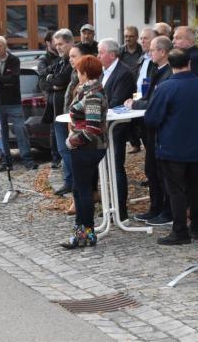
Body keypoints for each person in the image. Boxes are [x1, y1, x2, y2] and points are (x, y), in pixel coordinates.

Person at [144, 49, 198, 245]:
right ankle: (197, 227)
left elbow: (152, 118)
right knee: (196, 188)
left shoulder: (166, 87)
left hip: (172, 147)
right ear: (189, 62)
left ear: (170, 65)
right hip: (197, 145)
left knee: (176, 190)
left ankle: (180, 231)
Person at [125, 36, 174, 226]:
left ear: (162, 52)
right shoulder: (157, 69)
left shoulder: (168, 73)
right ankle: (156, 208)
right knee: (151, 170)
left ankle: (166, 211)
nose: (149, 53)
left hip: (162, 129)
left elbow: (156, 100)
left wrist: (135, 104)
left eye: (153, 50)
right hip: (151, 128)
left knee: (162, 172)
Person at [60, 55, 108, 249]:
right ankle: (83, 232)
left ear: (85, 73)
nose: (77, 75)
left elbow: (93, 128)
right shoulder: (86, 90)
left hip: (88, 148)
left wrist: (72, 141)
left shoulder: (94, 95)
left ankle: (86, 233)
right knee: (79, 191)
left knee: (83, 192)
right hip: (85, 148)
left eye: (78, 72)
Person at [98, 38, 136, 221]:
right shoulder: (102, 72)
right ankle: (109, 205)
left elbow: (116, 101)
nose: (98, 56)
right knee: (106, 169)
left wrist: (97, 107)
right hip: (102, 128)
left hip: (116, 129)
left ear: (112, 55)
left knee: (116, 168)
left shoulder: (123, 73)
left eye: (101, 52)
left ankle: (121, 210)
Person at [0, 36, 38, 172]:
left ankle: (28, 161)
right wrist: (2, 80)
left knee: (21, 130)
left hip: (13, 102)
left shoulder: (14, 60)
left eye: (0, 46)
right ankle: (6, 161)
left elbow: (13, 78)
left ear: (5, 46)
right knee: (1, 133)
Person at [42, 29, 75, 195]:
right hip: (56, 114)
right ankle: (68, 181)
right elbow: (42, 80)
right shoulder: (59, 62)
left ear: (70, 42)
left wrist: (53, 81)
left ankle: (74, 182)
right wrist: (51, 81)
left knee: (68, 150)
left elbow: (62, 80)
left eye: (61, 44)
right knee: (62, 150)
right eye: (56, 45)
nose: (58, 48)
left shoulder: (72, 62)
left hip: (69, 115)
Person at [128, 27, 158, 154]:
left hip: (151, 103)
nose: (142, 41)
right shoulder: (142, 58)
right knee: (147, 142)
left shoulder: (157, 60)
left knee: (154, 143)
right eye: (141, 38)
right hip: (139, 101)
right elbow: (139, 82)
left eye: (145, 38)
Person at [38, 30, 62, 169]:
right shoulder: (44, 59)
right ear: (48, 43)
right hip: (52, 101)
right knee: (54, 130)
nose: (57, 44)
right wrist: (54, 84)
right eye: (55, 41)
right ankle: (55, 158)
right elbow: (42, 80)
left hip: (63, 99)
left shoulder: (64, 57)